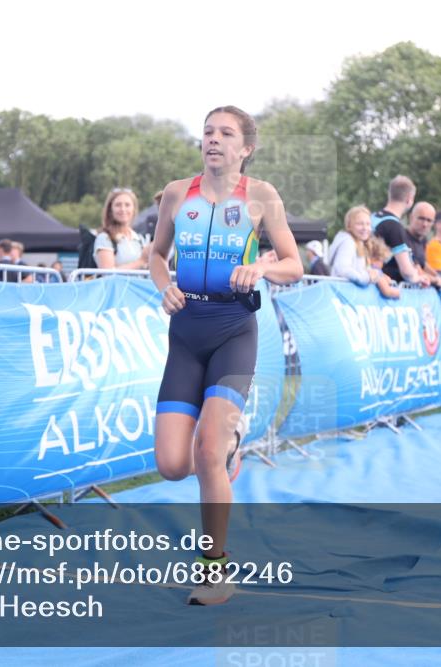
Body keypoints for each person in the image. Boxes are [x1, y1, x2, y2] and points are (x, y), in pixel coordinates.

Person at [148, 106, 303, 606]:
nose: (213, 140)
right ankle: (224, 455)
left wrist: (260, 266)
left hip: (235, 329)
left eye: (226, 133)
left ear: (246, 148)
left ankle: (215, 573)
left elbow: (294, 264)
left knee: (207, 451)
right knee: (174, 463)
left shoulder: (261, 196)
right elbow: (155, 256)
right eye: (208, 132)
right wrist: (164, 285)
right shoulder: (177, 193)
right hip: (186, 331)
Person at [328, 205, 400, 298]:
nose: (365, 228)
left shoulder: (358, 243)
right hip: (342, 296)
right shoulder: (348, 242)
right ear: (349, 225)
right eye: (360, 224)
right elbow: (342, 269)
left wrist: (378, 275)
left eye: (368, 224)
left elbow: (360, 270)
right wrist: (368, 277)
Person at [370, 175, 430, 286]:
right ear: (409, 199)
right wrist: (419, 278)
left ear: (390, 194)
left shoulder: (371, 217)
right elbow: (407, 272)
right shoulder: (394, 227)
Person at [405, 202, 436, 277]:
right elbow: (415, 270)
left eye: (429, 220)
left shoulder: (423, 240)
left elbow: (423, 264)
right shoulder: (402, 237)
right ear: (411, 217)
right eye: (421, 218)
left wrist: (438, 276)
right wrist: (438, 280)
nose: (425, 224)